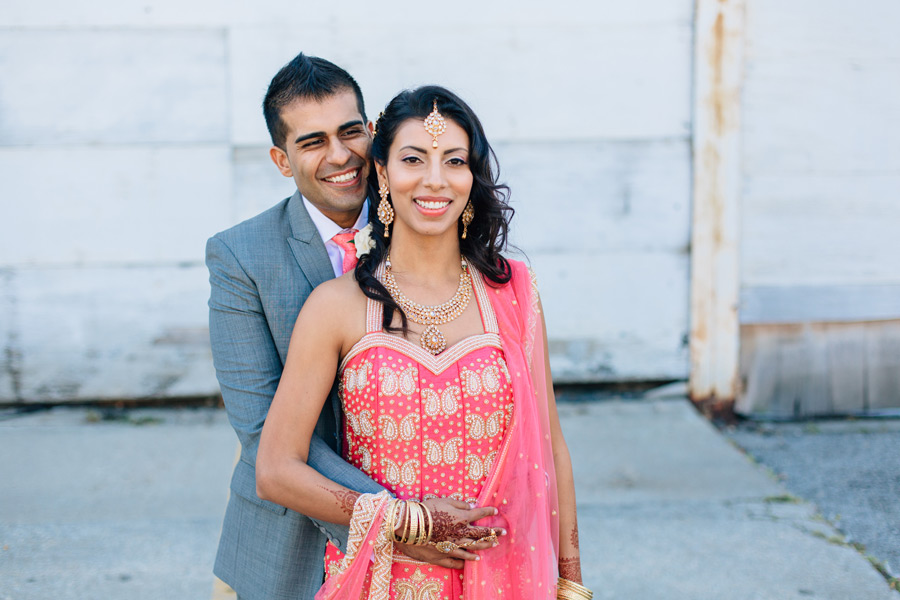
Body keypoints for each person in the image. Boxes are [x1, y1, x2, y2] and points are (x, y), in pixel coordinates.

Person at [256, 86, 591, 600]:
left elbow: (552, 448)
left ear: (471, 177)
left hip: (506, 575)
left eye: (454, 161)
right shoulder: (336, 306)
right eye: (414, 159)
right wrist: (405, 519)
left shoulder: (514, 293)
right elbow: (276, 470)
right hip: (382, 580)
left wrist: (570, 582)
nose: (435, 179)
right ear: (383, 174)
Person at [207, 55, 496, 600]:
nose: (340, 156)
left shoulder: (419, 212)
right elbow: (261, 428)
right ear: (281, 158)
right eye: (312, 142)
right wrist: (400, 521)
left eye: (350, 131)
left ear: (373, 131)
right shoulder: (241, 256)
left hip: (442, 540)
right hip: (287, 542)